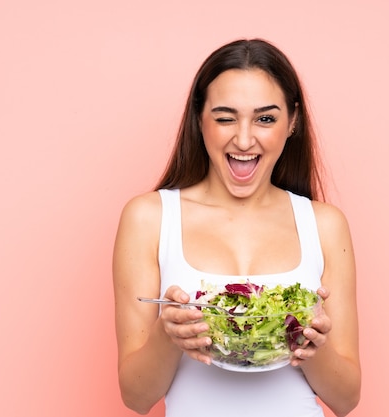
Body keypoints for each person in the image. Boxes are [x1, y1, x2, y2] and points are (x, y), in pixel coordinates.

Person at [112, 38, 361, 417]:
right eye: (225, 117)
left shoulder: (324, 224)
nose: (244, 139)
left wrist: (312, 344)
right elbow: (136, 397)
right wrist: (169, 334)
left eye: (265, 118)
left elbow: (346, 400)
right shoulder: (149, 217)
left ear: (292, 121)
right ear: (199, 119)